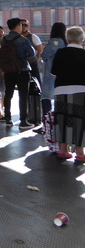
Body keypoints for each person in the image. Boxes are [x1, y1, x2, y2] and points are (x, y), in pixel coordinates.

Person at [50, 26, 85, 161]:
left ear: (67, 38)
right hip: (81, 90)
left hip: (61, 89)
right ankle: (80, 152)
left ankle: (63, 150)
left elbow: (54, 73)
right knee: (80, 120)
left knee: (63, 118)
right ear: (82, 39)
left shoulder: (60, 53)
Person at [0, 17, 37, 129]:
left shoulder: (4, 39)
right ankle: (23, 121)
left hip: (8, 70)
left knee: (9, 94)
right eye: (21, 25)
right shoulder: (23, 39)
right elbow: (32, 54)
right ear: (17, 26)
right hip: (22, 70)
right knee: (22, 95)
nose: (22, 27)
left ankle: (8, 119)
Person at [41, 23, 67, 114]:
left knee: (46, 97)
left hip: (51, 73)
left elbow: (44, 55)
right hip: (63, 74)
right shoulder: (65, 42)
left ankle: (46, 121)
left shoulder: (54, 42)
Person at [21, 18, 42, 83]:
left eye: (25, 25)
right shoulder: (17, 37)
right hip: (20, 65)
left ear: (28, 26)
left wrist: (36, 60)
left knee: (36, 83)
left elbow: (40, 50)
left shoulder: (33, 37)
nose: (23, 27)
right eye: (21, 25)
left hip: (32, 63)